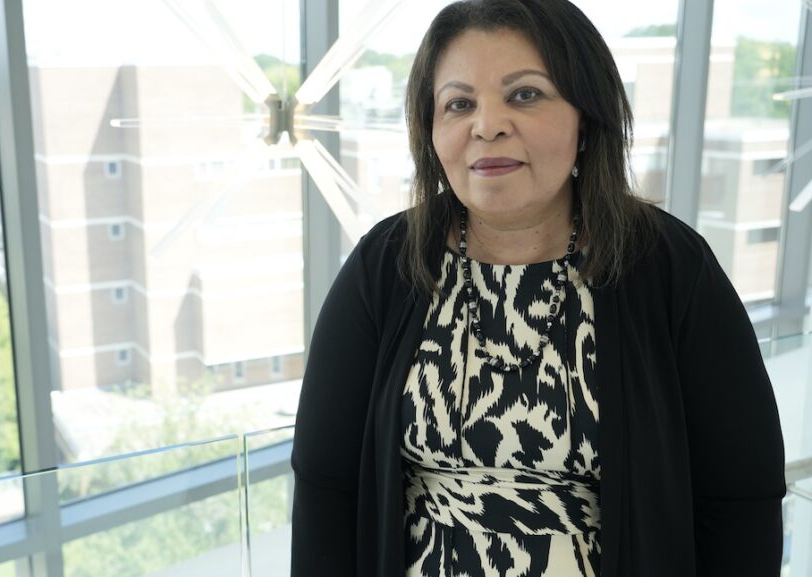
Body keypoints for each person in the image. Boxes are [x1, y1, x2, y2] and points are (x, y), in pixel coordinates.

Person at [289, 0, 786, 575]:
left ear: (587, 115)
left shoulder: (670, 268)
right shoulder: (387, 267)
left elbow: (739, 499)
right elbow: (326, 488)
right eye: (459, 103)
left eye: (525, 94)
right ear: (432, 131)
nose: (488, 124)